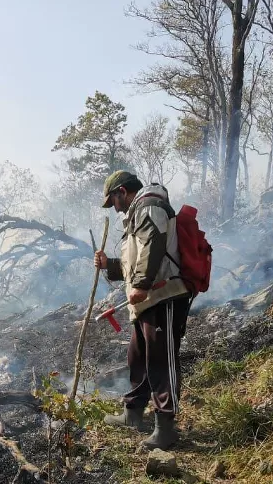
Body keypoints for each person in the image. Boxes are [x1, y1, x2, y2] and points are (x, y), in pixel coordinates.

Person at [94, 170, 191, 450]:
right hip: (147, 299)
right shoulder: (138, 213)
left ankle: (165, 428)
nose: (115, 208)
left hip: (163, 295)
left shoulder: (149, 205)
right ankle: (133, 413)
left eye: (113, 201)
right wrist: (110, 265)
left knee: (161, 360)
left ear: (122, 192)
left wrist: (141, 284)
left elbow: (153, 245)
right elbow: (135, 261)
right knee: (137, 357)